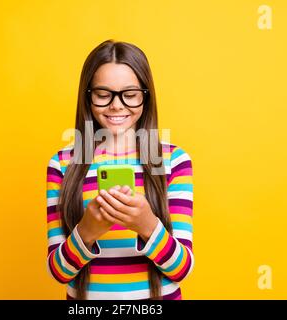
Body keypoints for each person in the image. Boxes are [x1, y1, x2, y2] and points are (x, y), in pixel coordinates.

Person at [46, 39, 194, 300]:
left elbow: (182, 269)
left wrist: (147, 226)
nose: (116, 105)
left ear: (145, 97)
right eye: (103, 94)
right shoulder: (63, 163)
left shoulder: (172, 160)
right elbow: (59, 272)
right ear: (87, 96)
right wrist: (87, 231)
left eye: (130, 94)